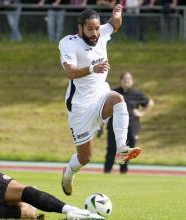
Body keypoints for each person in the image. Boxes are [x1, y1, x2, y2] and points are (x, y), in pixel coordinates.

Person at [58, 5, 142, 196]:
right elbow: (69, 72)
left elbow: (114, 24)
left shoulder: (102, 32)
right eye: (90, 29)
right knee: (85, 157)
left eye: (97, 28)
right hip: (80, 107)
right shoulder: (68, 43)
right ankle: (68, 173)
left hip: (100, 96)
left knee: (118, 99)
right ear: (80, 28)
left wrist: (118, 15)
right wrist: (91, 68)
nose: (95, 32)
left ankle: (122, 149)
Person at [103, 72, 154, 173]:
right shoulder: (114, 93)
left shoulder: (137, 93)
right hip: (114, 126)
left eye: (129, 79)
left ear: (132, 81)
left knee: (128, 149)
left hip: (131, 126)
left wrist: (142, 113)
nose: (127, 81)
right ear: (120, 81)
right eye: (124, 79)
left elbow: (150, 102)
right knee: (111, 149)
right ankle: (107, 171)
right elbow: (104, 106)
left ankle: (123, 171)